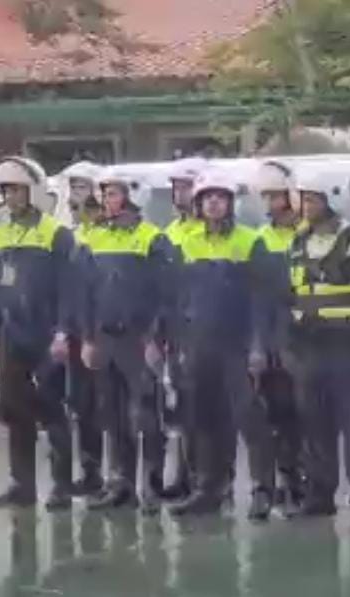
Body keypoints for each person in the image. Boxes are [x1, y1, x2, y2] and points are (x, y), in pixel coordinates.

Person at [276, 168, 350, 522]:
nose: (305, 206)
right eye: (302, 198)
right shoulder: (298, 242)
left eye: (312, 199)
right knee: (314, 424)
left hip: (347, 346)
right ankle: (319, 495)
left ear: (333, 200)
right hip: (309, 347)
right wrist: (288, 344)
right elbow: (289, 296)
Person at [170, 169, 271, 517]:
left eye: (221, 197)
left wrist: (258, 347)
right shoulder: (186, 242)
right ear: (198, 204)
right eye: (207, 198)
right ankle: (209, 488)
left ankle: (262, 489)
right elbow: (176, 297)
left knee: (249, 417)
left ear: (230, 203)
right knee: (204, 419)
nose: (214, 203)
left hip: (238, 345)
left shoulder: (250, 241)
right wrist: (178, 343)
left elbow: (261, 298)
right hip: (199, 344)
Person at [0, 157, 75, 511]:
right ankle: (22, 485)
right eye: (5, 191)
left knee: (53, 410)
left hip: (47, 337)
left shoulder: (56, 234)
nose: (9, 197)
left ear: (32, 191)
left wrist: (64, 332)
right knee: (14, 411)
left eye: (15, 189)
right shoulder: (0, 235)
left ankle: (62, 487)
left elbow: (70, 289)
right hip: (12, 337)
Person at [80, 169, 174, 515]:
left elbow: (165, 295)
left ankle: (151, 484)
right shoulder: (93, 238)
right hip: (105, 339)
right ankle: (120, 483)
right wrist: (88, 338)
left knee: (147, 415)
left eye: (114, 194)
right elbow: (84, 293)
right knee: (112, 414)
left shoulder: (153, 239)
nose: (107, 201)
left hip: (139, 340)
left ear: (134, 197)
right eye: (105, 195)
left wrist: (155, 338)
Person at [251, 161, 307, 516]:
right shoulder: (261, 239)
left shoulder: (308, 236)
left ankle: (299, 484)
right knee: (269, 418)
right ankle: (269, 486)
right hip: (270, 343)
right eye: (267, 196)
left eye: (276, 195)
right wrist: (258, 345)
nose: (270, 202)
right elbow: (256, 298)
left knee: (302, 418)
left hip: (304, 341)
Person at [161, 157, 206, 501]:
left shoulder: (211, 230)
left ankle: (209, 479)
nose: (180, 193)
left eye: (186, 186)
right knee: (184, 408)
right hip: (178, 334)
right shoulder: (170, 232)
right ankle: (187, 476)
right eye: (176, 186)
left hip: (209, 332)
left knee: (210, 411)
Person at [61, 160, 105, 497]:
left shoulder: (106, 236)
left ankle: (120, 477)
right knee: (82, 406)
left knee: (112, 407)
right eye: (73, 190)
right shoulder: (71, 237)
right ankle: (91, 472)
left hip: (105, 335)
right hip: (76, 335)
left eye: (82, 190)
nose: (75, 199)